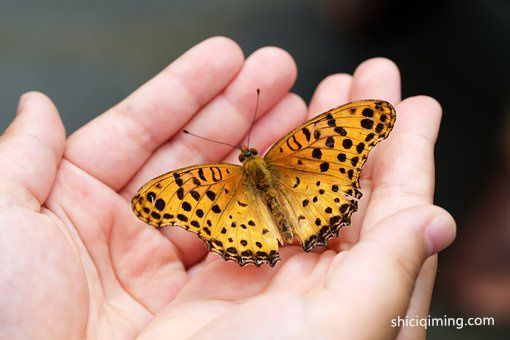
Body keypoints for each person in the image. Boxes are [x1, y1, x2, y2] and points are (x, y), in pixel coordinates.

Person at [0, 37, 455, 339]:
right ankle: (307, 228)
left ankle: (276, 239)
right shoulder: (297, 146)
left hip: (245, 225)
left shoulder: (209, 181)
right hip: (314, 196)